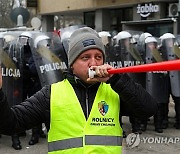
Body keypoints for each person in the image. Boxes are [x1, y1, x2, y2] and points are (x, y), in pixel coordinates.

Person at [0, 27, 157, 154]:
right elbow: (11, 123)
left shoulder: (114, 90)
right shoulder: (51, 94)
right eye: (85, 57)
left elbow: (148, 109)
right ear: (72, 64)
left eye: (98, 57)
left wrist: (118, 80)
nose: (93, 63)